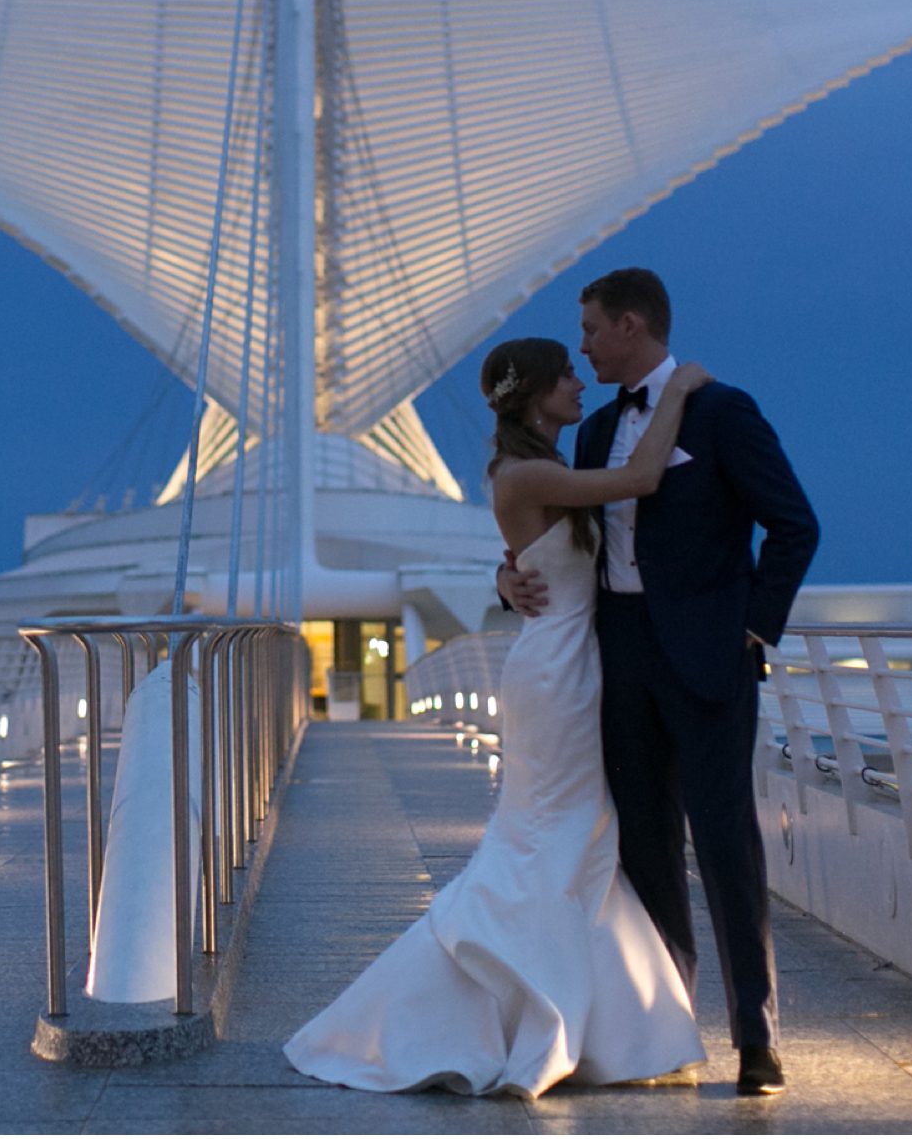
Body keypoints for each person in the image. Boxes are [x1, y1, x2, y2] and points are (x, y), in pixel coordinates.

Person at [284, 337, 711, 1098]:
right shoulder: (528, 473)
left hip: (566, 662)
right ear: (539, 392)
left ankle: (577, 1014)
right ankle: (535, 1015)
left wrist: (505, 573)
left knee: (565, 828)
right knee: (552, 829)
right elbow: (642, 478)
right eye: (568, 377)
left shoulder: (536, 469)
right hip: (555, 674)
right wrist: (679, 387)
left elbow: (554, 545)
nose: (581, 385)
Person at [499, 267, 819, 1097]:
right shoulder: (599, 427)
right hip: (618, 658)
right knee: (644, 849)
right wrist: (509, 576)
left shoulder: (722, 412)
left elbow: (795, 523)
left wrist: (754, 625)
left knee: (723, 841)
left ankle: (757, 1036)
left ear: (631, 325)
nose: (583, 348)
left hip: (710, 657)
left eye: (592, 331)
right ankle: (668, 1028)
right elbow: (558, 534)